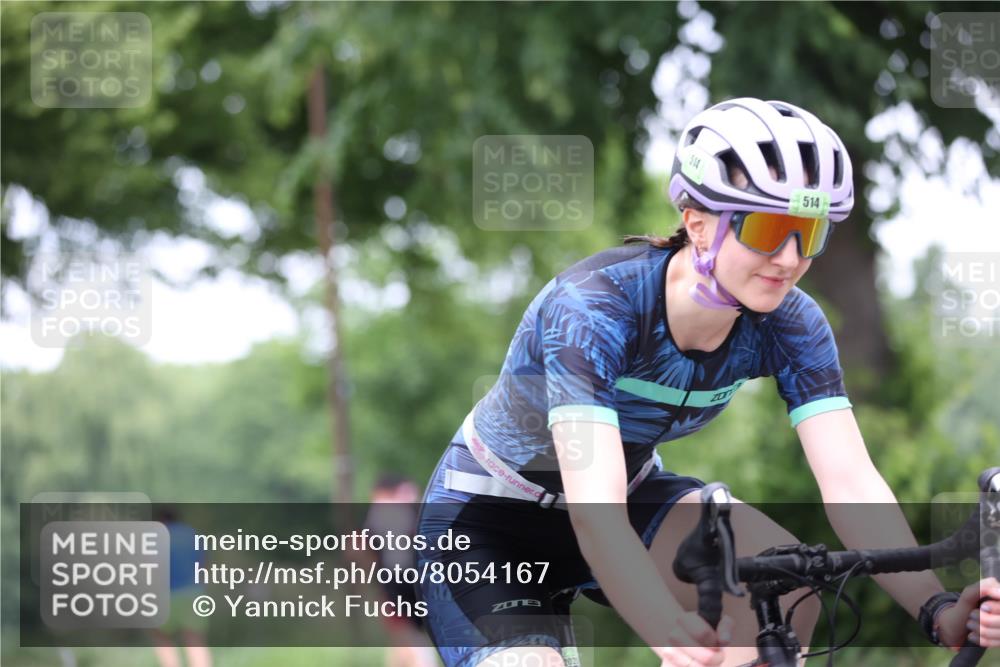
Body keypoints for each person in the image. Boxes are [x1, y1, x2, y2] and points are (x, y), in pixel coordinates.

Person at [414, 97, 1000, 667]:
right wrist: (669, 631)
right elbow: (596, 511)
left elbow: (849, 478)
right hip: (491, 521)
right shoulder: (595, 307)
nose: (790, 258)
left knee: (785, 590)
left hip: (633, 496)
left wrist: (938, 610)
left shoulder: (792, 323)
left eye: (809, 232)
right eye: (768, 229)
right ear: (697, 223)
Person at [363, 474, 441, 667]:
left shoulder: (383, 512)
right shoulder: (393, 511)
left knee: (407, 636)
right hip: (401, 582)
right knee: (408, 637)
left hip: (399, 583)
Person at [150, 507, 212, 667]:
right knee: (195, 640)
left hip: (164, 595)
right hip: (193, 593)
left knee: (163, 639)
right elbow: (203, 565)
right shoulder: (192, 534)